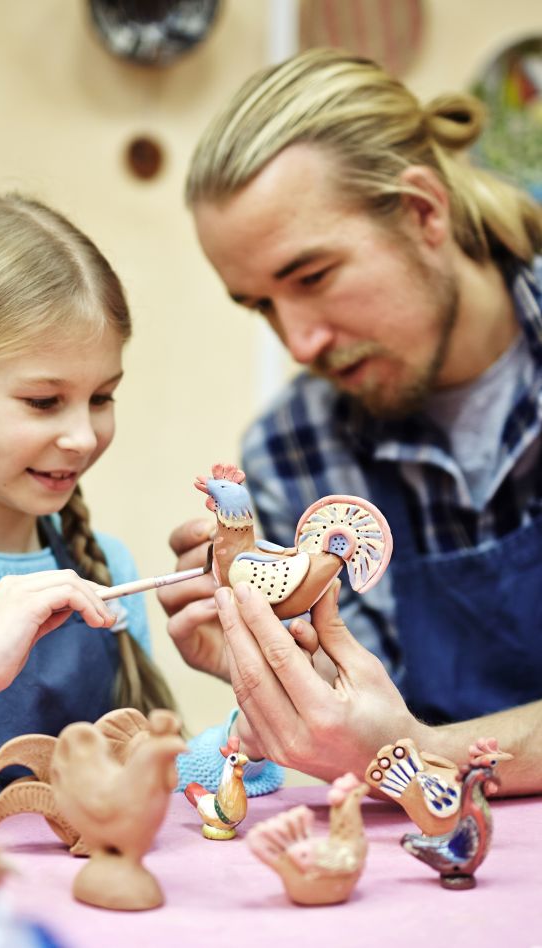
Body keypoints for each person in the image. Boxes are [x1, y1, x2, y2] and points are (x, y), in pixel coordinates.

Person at [158, 48, 542, 795]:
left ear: (423, 211)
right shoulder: (292, 448)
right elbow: (368, 710)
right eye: (262, 304)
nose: (299, 343)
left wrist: (424, 752)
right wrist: (286, 668)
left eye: (312, 277)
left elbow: (401, 747)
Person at [0, 195, 281, 806]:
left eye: (103, 396)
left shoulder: (107, 569)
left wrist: (258, 716)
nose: (84, 436)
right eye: (43, 401)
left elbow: (133, 785)